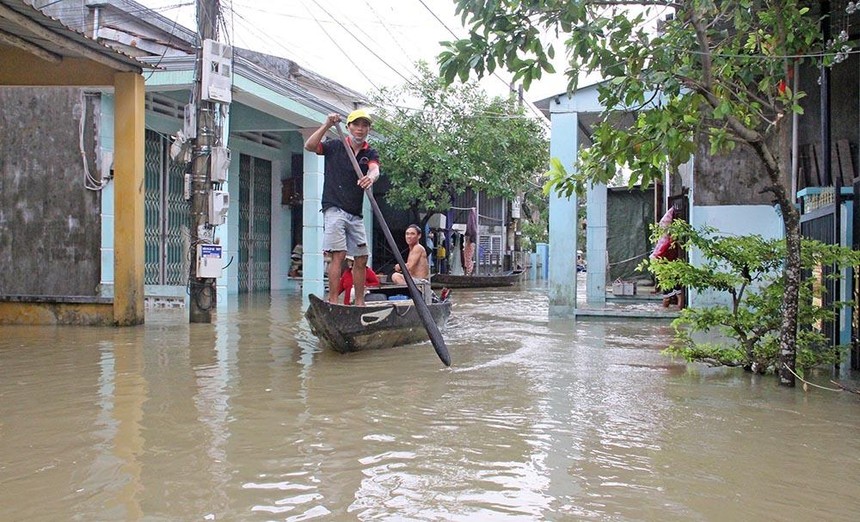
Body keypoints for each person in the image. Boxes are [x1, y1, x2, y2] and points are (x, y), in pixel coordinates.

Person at [304, 109, 380, 306]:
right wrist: (327, 125)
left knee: (362, 257)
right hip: (334, 208)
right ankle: (333, 301)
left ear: (368, 129)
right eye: (356, 125)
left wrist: (369, 178)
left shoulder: (369, 152)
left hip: (355, 212)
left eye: (364, 126)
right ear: (348, 127)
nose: (360, 129)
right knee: (338, 254)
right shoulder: (336, 146)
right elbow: (310, 146)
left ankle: (360, 303)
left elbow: (374, 169)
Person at [650, 207, 684, 309]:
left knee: (668, 296)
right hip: (674, 267)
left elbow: (658, 254)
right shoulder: (673, 242)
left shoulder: (667, 243)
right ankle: (678, 309)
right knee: (678, 293)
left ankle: (666, 311)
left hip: (667, 269)